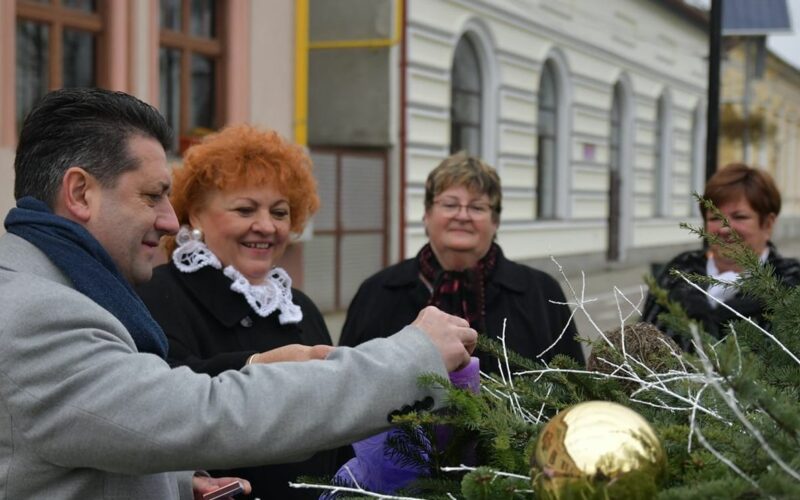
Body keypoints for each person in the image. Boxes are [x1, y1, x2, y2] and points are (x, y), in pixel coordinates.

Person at [0, 87, 477, 499]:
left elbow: (107, 433)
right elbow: (205, 414)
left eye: (280, 211)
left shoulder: (67, 291)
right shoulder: (42, 313)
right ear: (80, 193)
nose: (168, 220)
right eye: (151, 196)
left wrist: (176, 484)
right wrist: (412, 357)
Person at [136, 124, 340, 499]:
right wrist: (257, 365)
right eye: (245, 209)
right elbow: (160, 407)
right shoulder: (157, 295)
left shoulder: (299, 307)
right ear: (195, 215)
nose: (266, 226)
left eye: (280, 212)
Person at [339, 152, 584, 369]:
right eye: (450, 204)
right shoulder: (377, 293)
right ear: (427, 214)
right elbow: (349, 383)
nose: (462, 216)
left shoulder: (541, 294)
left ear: (495, 221)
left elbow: (573, 392)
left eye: (477, 207)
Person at [642, 163, 800, 342]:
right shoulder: (678, 274)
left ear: (768, 224)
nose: (725, 229)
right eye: (715, 218)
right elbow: (641, 345)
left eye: (740, 217)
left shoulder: (792, 284)